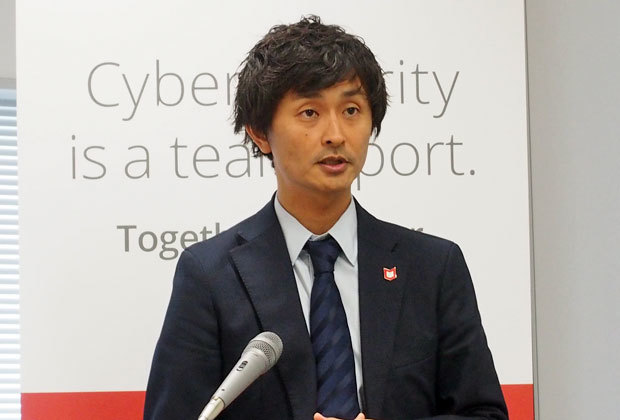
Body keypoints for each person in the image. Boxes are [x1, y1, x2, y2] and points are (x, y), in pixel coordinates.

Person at [144, 16, 508, 420]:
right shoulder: (210, 276)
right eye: (309, 112)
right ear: (260, 133)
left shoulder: (433, 268)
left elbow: (484, 414)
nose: (336, 134)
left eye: (351, 110)